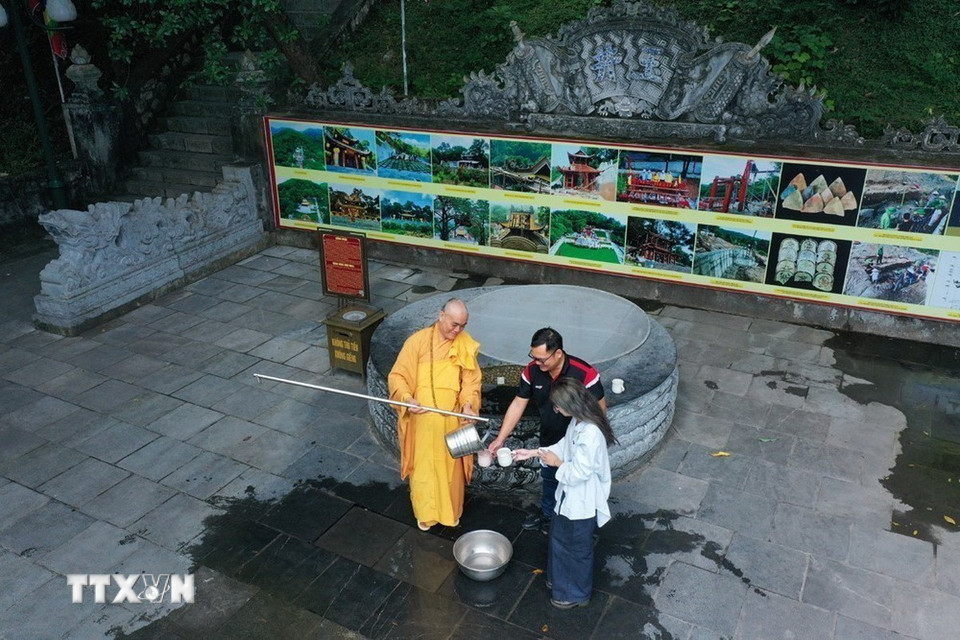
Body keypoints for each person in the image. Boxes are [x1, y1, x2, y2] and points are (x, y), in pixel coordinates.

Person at [487, 327, 605, 534]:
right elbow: (518, 404)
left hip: (579, 444)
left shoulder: (584, 373)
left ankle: (584, 528)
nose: (537, 363)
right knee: (551, 481)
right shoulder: (532, 370)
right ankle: (549, 517)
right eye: (534, 357)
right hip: (551, 439)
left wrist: (588, 438)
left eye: (542, 359)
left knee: (581, 487)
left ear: (558, 353)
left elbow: (600, 409)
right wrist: (500, 439)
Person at [513, 377, 616, 609]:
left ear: (571, 405)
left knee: (576, 549)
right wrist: (532, 453)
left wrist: (557, 463)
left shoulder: (590, 434)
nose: (555, 409)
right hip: (568, 499)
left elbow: (578, 472)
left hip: (581, 502)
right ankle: (559, 582)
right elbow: (562, 447)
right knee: (560, 541)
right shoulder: (578, 423)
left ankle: (575, 594)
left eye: (557, 405)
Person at [388, 298, 481, 531]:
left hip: (452, 420)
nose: (458, 330)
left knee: (452, 474)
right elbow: (397, 376)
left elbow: (471, 382)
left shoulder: (464, 344)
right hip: (421, 420)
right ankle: (425, 514)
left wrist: (469, 405)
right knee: (424, 471)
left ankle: (451, 513)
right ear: (441, 316)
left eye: (463, 325)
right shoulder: (417, 342)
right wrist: (407, 399)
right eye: (454, 324)